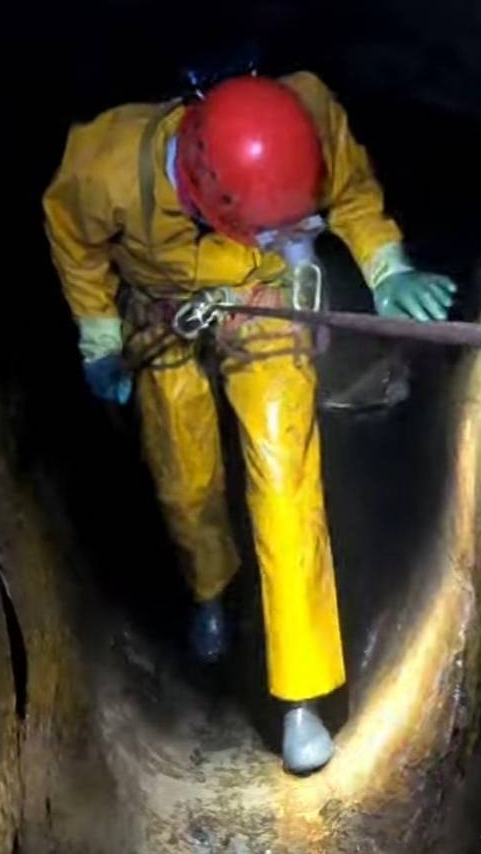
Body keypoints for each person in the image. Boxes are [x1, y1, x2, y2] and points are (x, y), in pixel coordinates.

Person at [41, 72, 455, 774]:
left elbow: (350, 191)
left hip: (263, 297)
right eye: (271, 222)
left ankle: (302, 697)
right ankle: (210, 587)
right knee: (185, 475)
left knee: (286, 483)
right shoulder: (104, 163)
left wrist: (386, 266)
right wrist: (100, 338)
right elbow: (74, 242)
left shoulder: (307, 116)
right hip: (165, 313)